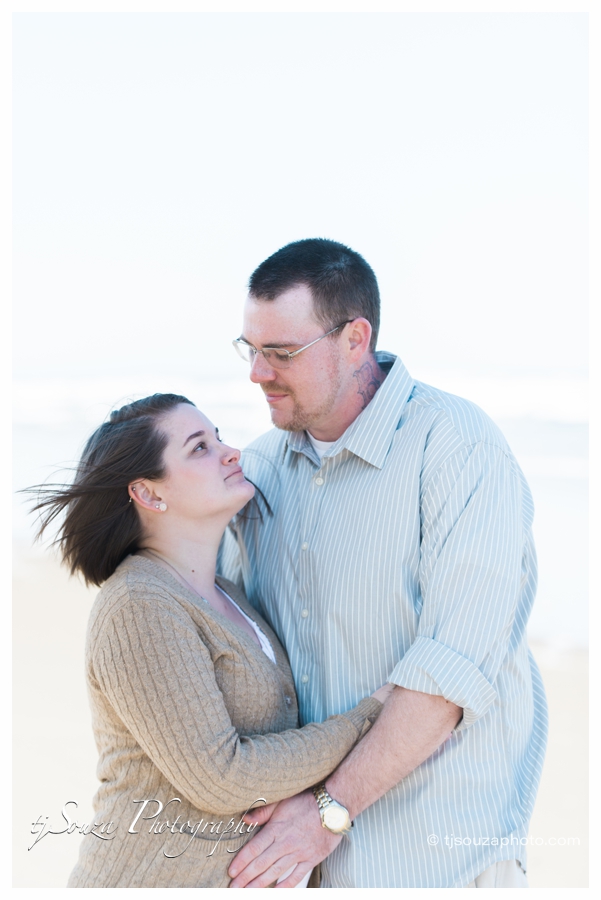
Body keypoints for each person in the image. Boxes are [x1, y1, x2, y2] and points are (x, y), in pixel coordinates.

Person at [218, 238, 548, 889]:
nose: (257, 373)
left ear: (354, 339)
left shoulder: (457, 450)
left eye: (281, 353)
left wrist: (324, 815)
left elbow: (447, 674)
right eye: (249, 349)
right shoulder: (254, 473)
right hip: (301, 865)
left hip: (438, 862)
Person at [29, 393, 390, 888]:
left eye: (218, 436)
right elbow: (222, 777)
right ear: (150, 495)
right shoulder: (140, 604)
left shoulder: (229, 592)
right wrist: (370, 715)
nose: (230, 452)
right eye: (199, 447)